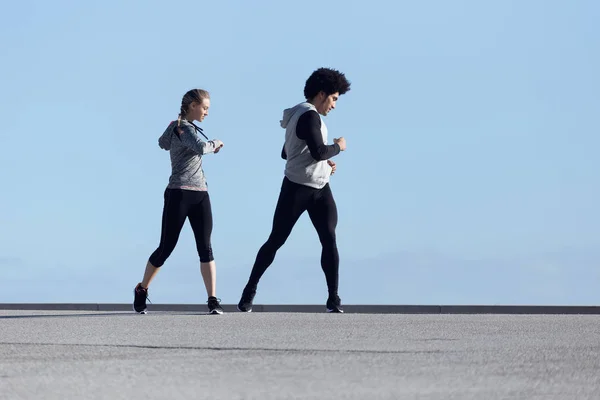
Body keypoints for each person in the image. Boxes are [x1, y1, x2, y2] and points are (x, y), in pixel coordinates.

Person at [237, 67, 351, 313]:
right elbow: (319, 151)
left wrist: (322, 162)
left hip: (321, 188)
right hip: (297, 190)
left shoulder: (300, 115)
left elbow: (287, 152)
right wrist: (337, 147)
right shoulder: (308, 116)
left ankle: (334, 299)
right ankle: (249, 291)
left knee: (329, 239)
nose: (334, 105)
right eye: (334, 99)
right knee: (276, 240)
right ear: (321, 94)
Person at [133, 89, 225, 315]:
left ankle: (212, 299)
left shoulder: (180, 127)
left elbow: (163, 143)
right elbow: (200, 148)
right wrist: (215, 143)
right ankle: (142, 288)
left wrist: (174, 129)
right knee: (166, 247)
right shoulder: (183, 127)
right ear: (192, 105)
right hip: (178, 193)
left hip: (201, 193)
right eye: (204, 108)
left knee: (206, 247)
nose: (206, 112)